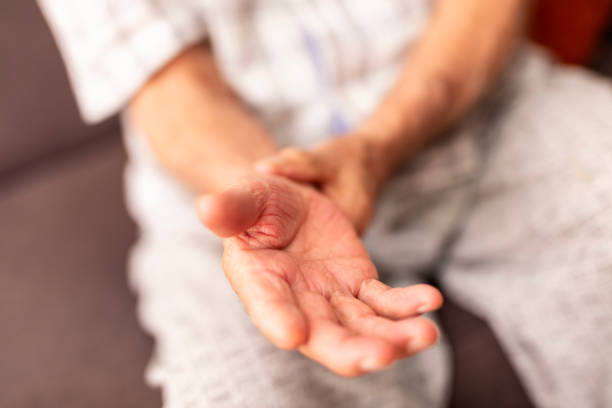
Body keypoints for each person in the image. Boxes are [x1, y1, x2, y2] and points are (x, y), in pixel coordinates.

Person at [39, 0, 612, 406]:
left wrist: (377, 146)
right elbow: (171, 87)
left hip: (487, 110)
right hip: (232, 196)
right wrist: (269, 194)